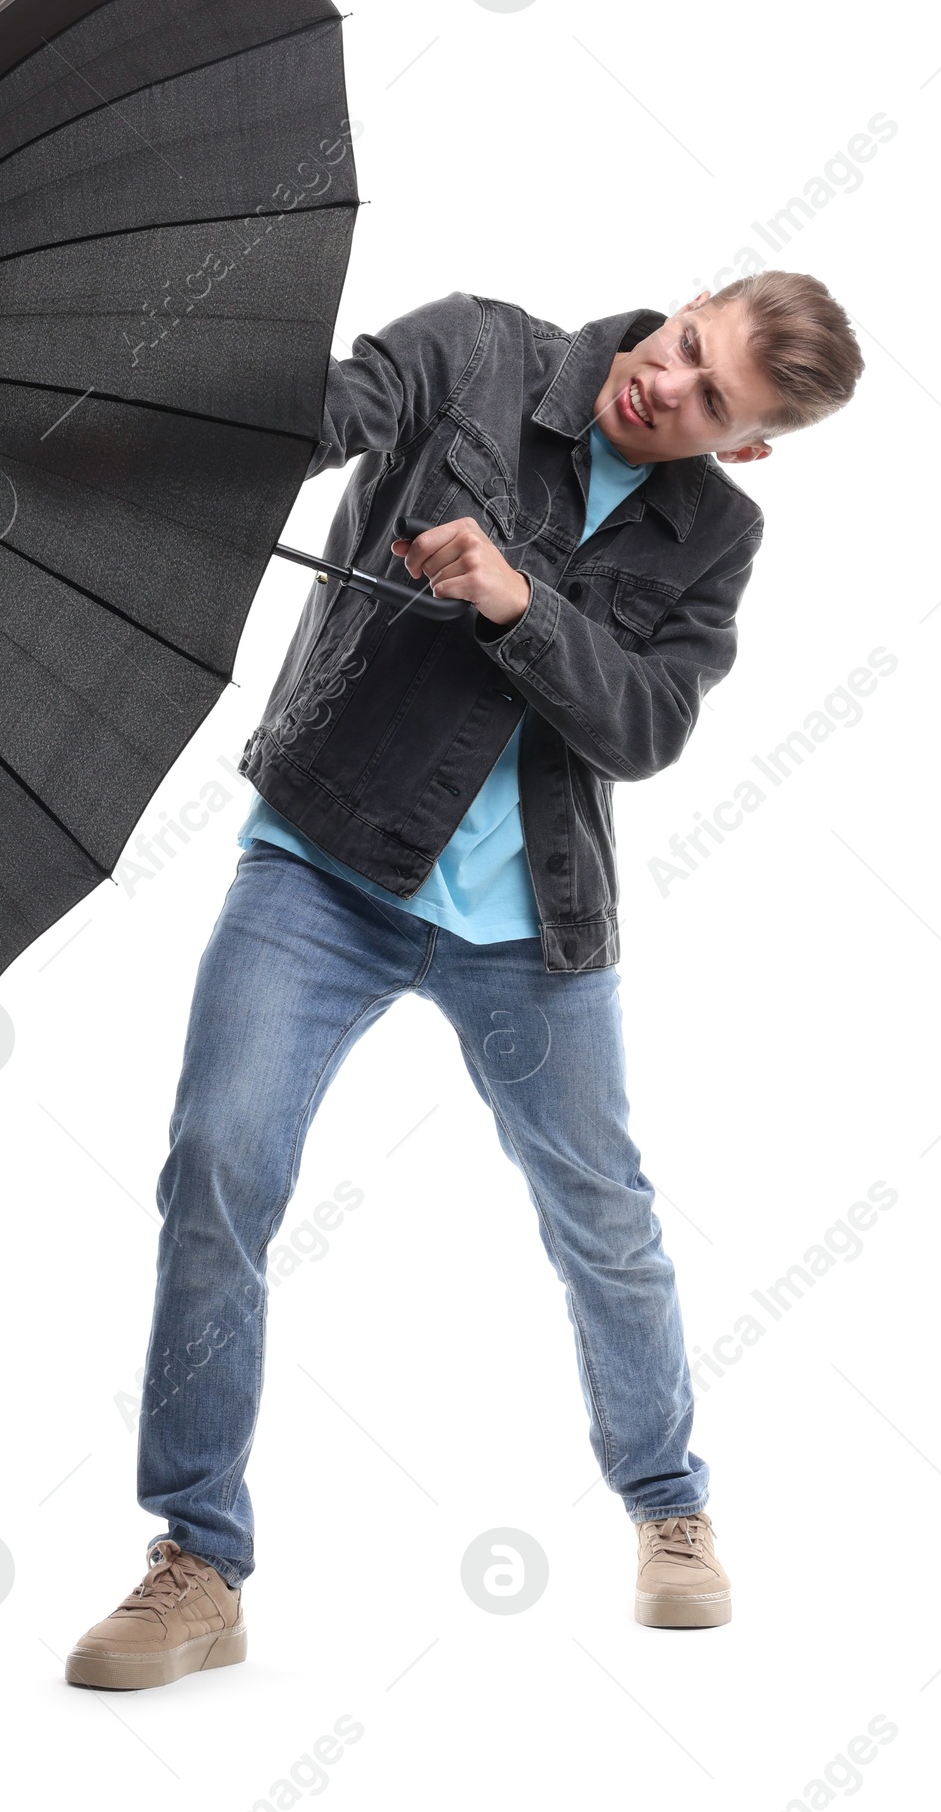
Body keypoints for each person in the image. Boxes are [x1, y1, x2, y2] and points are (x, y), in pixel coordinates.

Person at [65, 273, 864, 1690]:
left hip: (529, 925)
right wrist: (122, 417)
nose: (668, 386)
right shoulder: (480, 350)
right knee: (218, 1162)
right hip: (321, 858)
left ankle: (669, 1505)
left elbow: (644, 724)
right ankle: (198, 1559)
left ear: (745, 446)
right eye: (686, 346)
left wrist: (512, 599)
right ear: (678, 308)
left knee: (603, 1215)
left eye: (714, 400)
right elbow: (323, 411)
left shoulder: (714, 541)